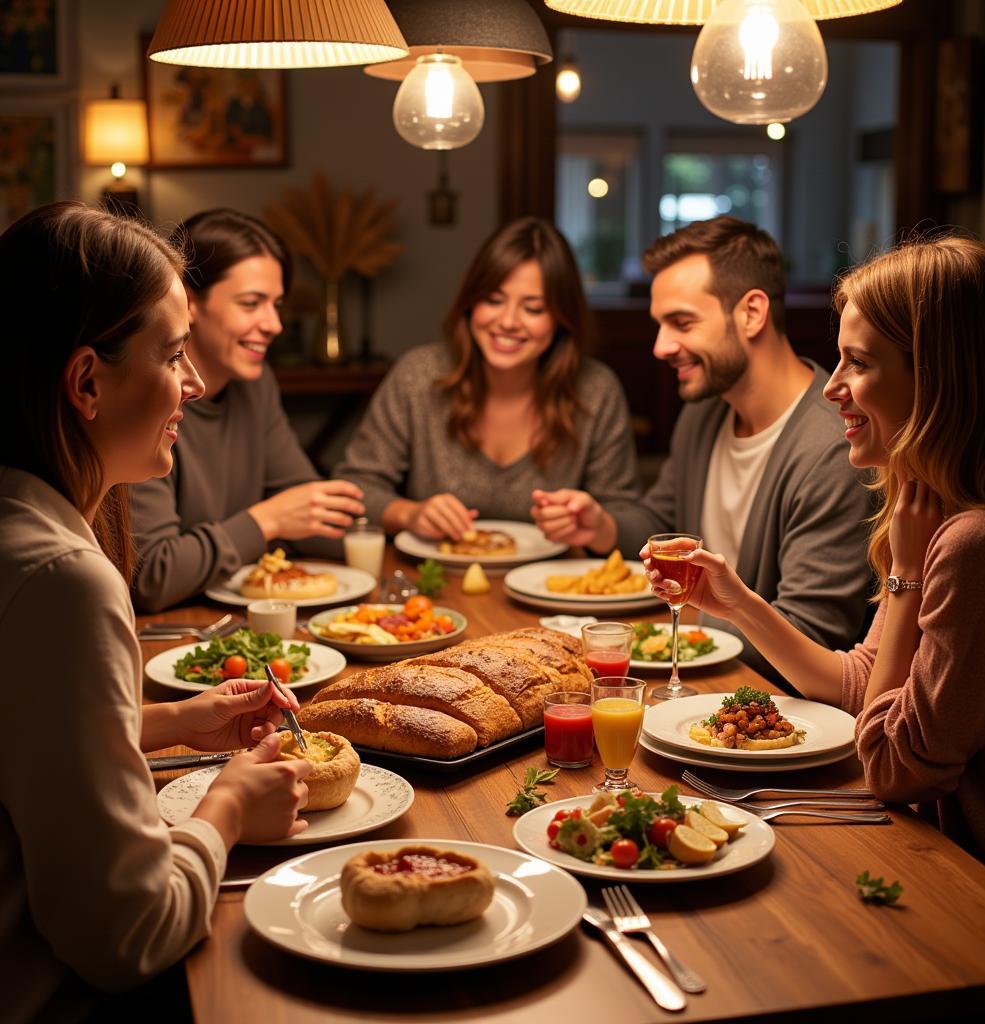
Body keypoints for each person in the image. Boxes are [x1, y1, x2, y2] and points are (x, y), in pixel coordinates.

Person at [0, 202, 313, 1021]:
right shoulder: (64, 579)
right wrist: (232, 806)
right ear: (87, 382)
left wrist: (170, 723)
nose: (196, 385)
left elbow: (21, 741)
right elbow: (127, 936)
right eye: (174, 355)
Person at [645, 236, 985, 891]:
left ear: (934, 378)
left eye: (859, 363)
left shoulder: (979, 542)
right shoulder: (930, 508)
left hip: (981, 889)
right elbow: (859, 686)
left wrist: (904, 582)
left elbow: (893, 766)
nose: (835, 388)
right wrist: (737, 602)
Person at [532, 216, 874, 679]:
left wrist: (681, 623)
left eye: (682, 322)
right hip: (694, 671)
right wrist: (601, 526)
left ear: (752, 313)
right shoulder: (704, 412)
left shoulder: (833, 447)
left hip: (761, 702)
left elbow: (811, 636)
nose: (660, 346)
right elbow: (662, 524)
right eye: (660, 324)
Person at [333, 217, 639, 539]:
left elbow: (626, 518)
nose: (508, 322)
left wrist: (595, 523)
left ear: (562, 319)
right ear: (470, 302)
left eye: (533, 309)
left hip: (554, 584)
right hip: (432, 581)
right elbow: (355, 491)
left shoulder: (595, 390)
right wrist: (409, 514)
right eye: (493, 300)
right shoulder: (418, 376)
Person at [130, 208, 365, 612]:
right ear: (189, 301)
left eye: (276, 304)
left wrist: (398, 519)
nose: (274, 324)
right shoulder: (145, 396)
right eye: (252, 303)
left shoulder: (255, 387)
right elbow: (150, 575)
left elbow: (309, 508)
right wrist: (267, 522)